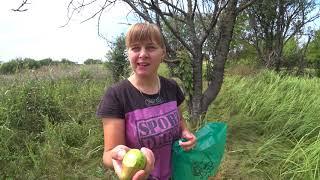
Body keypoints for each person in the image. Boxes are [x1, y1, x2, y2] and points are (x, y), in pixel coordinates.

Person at [96, 22, 196, 180]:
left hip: (177, 173)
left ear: (162, 53)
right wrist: (120, 156)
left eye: (150, 47)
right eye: (135, 48)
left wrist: (185, 133)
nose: (142, 54)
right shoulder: (116, 95)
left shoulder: (171, 87)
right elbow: (108, 155)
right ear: (128, 53)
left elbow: (180, 121)